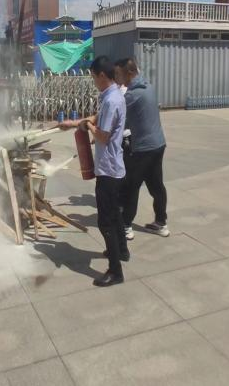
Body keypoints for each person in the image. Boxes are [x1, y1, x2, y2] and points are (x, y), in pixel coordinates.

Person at [60, 56, 128, 287]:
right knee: (116, 215)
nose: (93, 82)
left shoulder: (111, 101)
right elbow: (98, 121)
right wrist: (75, 124)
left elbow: (102, 135)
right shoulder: (115, 94)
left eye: (93, 78)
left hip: (108, 170)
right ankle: (122, 251)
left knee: (105, 222)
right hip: (115, 166)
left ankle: (115, 272)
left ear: (102, 75)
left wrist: (88, 126)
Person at [114, 58, 169, 239]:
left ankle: (125, 226)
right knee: (156, 185)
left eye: (118, 74)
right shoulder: (148, 86)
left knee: (131, 186)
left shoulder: (132, 95)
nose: (116, 77)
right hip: (158, 144)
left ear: (129, 73)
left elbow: (116, 118)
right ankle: (161, 223)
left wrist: (95, 129)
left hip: (144, 149)